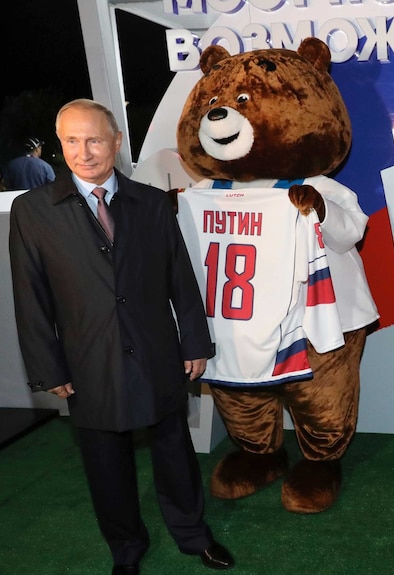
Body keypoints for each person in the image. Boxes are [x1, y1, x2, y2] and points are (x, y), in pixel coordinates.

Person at [8, 99, 235, 575]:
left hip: (156, 351)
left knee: (174, 450)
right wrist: (48, 368)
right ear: (59, 146)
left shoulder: (151, 202)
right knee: (105, 465)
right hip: (87, 360)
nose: (83, 152)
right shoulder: (33, 211)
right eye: (71, 141)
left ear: (115, 142)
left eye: (93, 139)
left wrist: (194, 341)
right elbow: (30, 297)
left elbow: (180, 276)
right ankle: (126, 549)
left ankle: (193, 535)